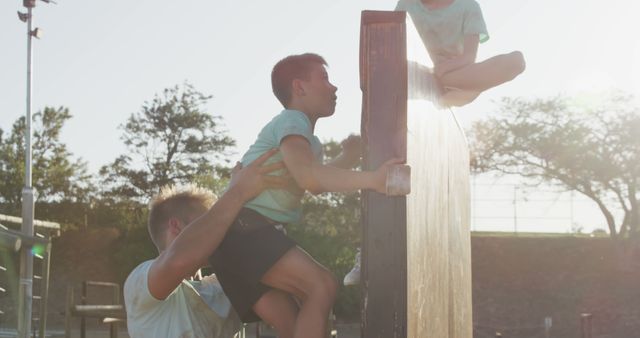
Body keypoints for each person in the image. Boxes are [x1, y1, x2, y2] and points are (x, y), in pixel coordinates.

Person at [209, 53, 403, 338]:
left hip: (236, 240)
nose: (334, 88)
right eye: (324, 79)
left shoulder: (306, 140)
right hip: (246, 231)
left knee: (296, 325)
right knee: (322, 285)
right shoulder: (292, 120)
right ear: (299, 88)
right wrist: (373, 180)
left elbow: (314, 180)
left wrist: (347, 157)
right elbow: (309, 176)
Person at [124, 149, 294, 338]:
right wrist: (237, 192)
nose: (220, 229)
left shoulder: (226, 284)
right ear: (176, 226)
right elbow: (177, 261)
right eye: (206, 221)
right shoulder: (139, 282)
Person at [395, 0, 526, 107]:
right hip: (414, 71)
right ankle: (464, 92)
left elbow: (469, 58)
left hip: (453, 75)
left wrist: (440, 70)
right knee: (469, 91)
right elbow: (393, 43)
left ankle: (454, 92)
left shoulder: (468, 6)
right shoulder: (407, 4)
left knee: (516, 60)